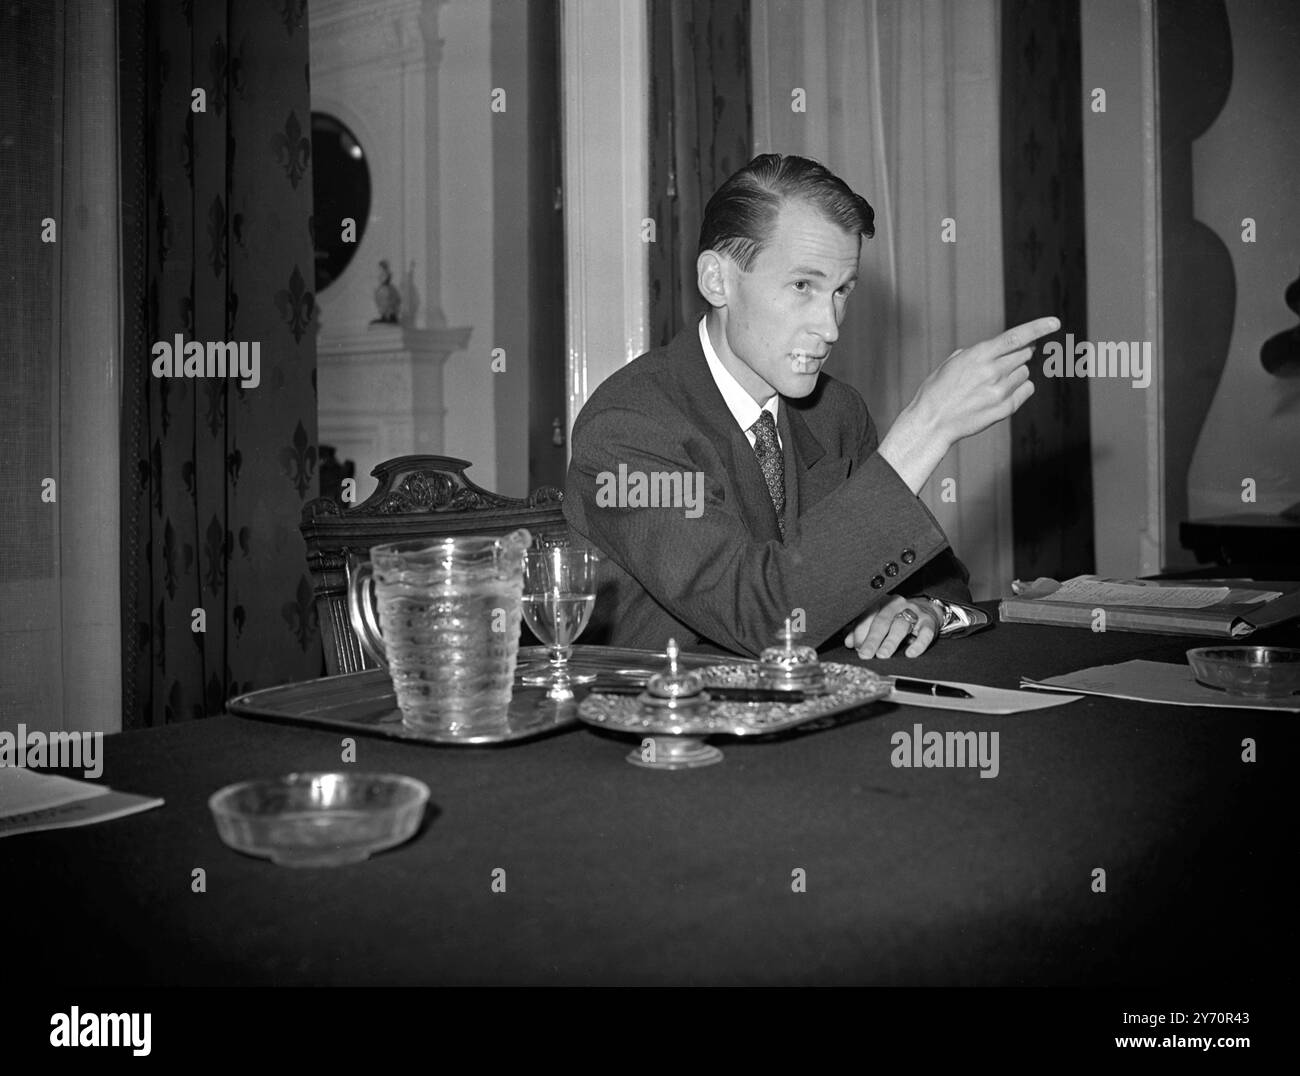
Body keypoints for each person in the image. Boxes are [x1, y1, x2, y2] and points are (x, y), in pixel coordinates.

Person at [564, 153, 1057, 659]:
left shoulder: (836, 411)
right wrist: (925, 428)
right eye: (803, 285)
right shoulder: (627, 427)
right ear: (717, 281)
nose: (830, 327)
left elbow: (941, 582)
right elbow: (761, 618)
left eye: (841, 290)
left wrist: (918, 610)